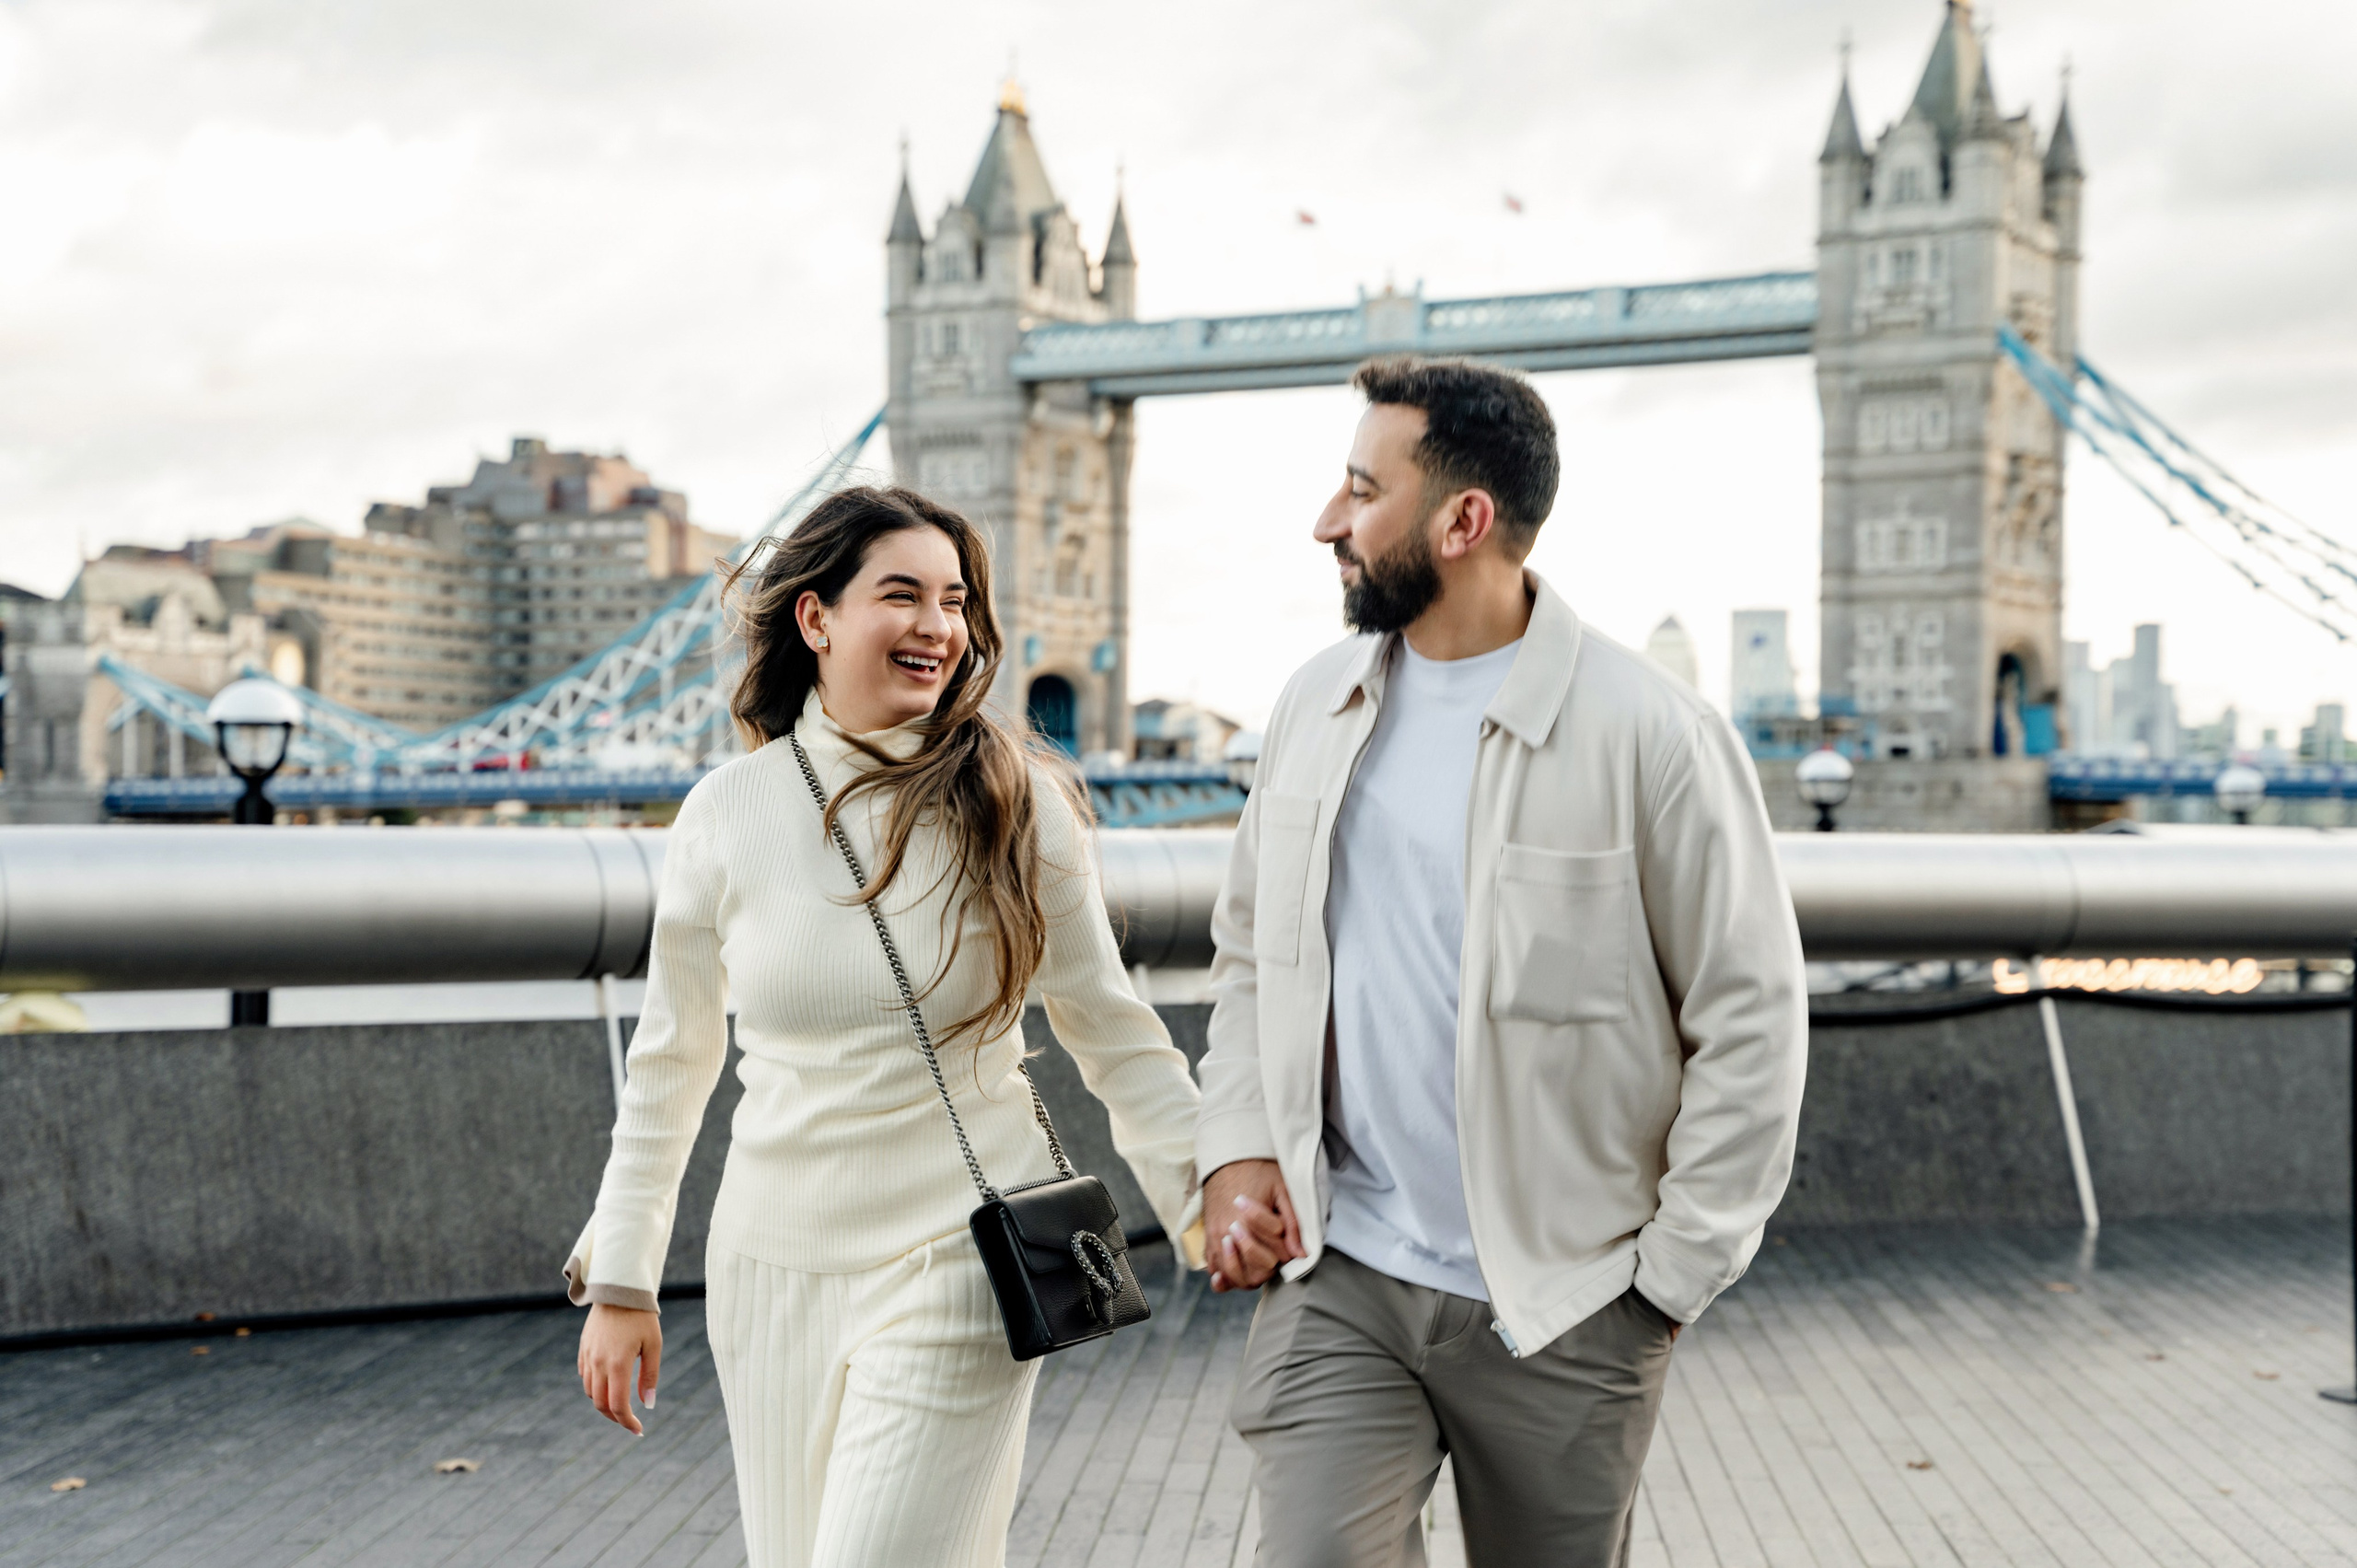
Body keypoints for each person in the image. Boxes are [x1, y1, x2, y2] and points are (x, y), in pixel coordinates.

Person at [1195, 357, 1806, 1566]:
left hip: (1568, 1307)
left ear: (1464, 521)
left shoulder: (1654, 734)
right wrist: (1239, 1146)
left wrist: (1667, 1283)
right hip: (1346, 1271)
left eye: (1363, 490)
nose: (1329, 519)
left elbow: (1753, 1023)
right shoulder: (1313, 703)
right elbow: (1251, 956)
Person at [568, 486, 1202, 1568]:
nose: (937, 626)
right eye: (901, 594)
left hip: (956, 1255)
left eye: (954, 601)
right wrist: (623, 1278)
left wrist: (1210, 1201)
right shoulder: (726, 812)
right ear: (815, 619)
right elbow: (671, 1062)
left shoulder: (1014, 798)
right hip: (770, 1268)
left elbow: (1109, 1022)